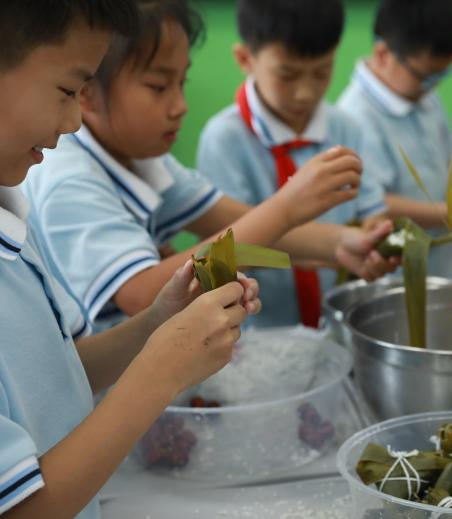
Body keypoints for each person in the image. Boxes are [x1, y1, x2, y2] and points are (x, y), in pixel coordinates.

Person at [0, 2, 258, 517]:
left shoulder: (12, 210)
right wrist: (160, 372)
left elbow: (61, 374)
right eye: (68, 90)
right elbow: (24, 508)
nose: (76, 119)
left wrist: (155, 325)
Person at [23, 0, 396, 332]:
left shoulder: (147, 161)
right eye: (159, 86)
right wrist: (286, 208)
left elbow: (230, 220)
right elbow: (142, 294)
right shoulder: (69, 179)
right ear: (87, 89)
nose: (181, 105)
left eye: (181, 82)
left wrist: (342, 244)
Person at [337, 0, 452, 279]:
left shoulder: (425, 96)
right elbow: (377, 204)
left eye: (443, 74)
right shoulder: (354, 117)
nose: (435, 85)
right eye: (426, 77)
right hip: (395, 275)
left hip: (442, 265)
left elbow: (451, 170)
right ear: (383, 54)